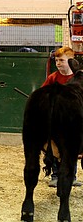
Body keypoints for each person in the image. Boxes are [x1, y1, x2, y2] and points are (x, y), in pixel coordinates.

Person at [41, 46, 82, 187]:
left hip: (73, 120)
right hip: (56, 120)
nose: (58, 63)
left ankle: (72, 176)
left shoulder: (77, 78)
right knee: (55, 148)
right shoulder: (53, 78)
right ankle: (55, 175)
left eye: (62, 60)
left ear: (71, 61)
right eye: (57, 60)